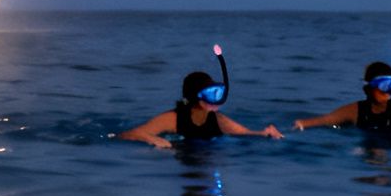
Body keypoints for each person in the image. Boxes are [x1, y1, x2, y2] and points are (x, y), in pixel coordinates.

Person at [119, 63, 283, 148]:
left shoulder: (218, 119)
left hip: (205, 153)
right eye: (209, 95)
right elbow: (129, 134)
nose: (215, 99)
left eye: (217, 94)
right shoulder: (173, 119)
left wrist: (265, 133)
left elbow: (245, 133)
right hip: (177, 158)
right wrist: (152, 139)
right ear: (194, 97)